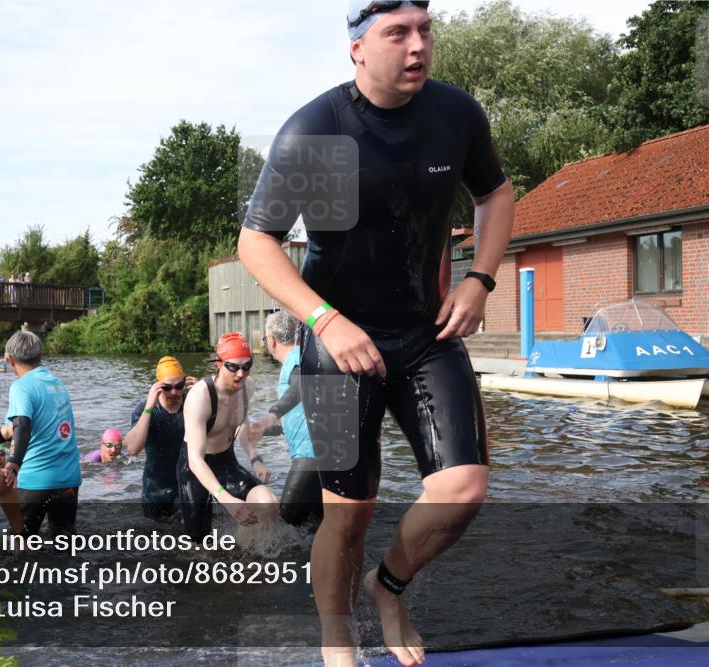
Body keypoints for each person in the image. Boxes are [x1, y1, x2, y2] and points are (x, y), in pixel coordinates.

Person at [236, 3, 515, 664]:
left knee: (463, 488)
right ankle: (339, 634)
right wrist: (324, 320)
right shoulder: (318, 130)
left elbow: (495, 194)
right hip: (336, 347)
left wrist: (479, 278)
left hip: (426, 332)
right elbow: (256, 241)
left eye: (425, 30)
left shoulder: (455, 116)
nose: (417, 46)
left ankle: (387, 585)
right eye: (398, 34)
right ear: (358, 50)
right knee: (349, 510)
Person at [178, 333, 278, 541]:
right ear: (219, 364)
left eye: (247, 365)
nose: (241, 374)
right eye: (233, 367)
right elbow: (195, 459)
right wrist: (225, 498)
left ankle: (240, 552)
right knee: (198, 544)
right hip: (195, 468)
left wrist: (254, 458)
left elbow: (241, 423)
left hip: (226, 461)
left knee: (267, 504)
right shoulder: (200, 397)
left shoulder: (246, 387)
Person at [0, 331, 82, 538]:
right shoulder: (58, 384)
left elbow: (22, 425)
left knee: (19, 543)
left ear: (9, 358)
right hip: (69, 478)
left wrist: (13, 464)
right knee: (64, 542)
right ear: (41, 355)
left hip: (37, 479)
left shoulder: (21, 387)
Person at [247, 310, 323, 526]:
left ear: (271, 341)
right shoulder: (305, 358)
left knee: (285, 523)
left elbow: (301, 387)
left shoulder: (295, 362)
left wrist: (268, 419)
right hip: (324, 454)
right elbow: (300, 417)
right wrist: (264, 430)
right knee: (315, 525)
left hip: (311, 456)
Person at [124, 356, 195, 520]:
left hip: (187, 486)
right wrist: (149, 406)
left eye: (179, 386)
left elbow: (218, 433)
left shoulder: (194, 404)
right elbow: (132, 448)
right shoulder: (145, 409)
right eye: (167, 387)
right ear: (157, 386)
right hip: (155, 489)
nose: (174, 392)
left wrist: (205, 396)